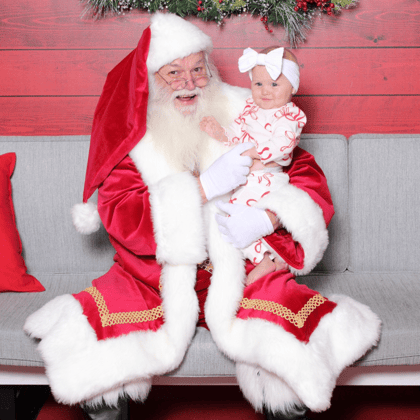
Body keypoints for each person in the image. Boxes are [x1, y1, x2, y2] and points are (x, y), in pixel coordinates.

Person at [24, 13, 381, 420]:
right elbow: (122, 213)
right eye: (173, 73)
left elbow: (305, 176)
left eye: (197, 69)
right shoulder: (135, 137)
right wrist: (203, 187)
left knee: (289, 364)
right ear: (150, 80)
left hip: (244, 271)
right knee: (102, 371)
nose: (190, 82)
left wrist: (270, 221)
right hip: (152, 277)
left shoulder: (249, 112)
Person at [200, 46, 306, 285]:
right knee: (231, 219)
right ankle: (260, 259)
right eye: (258, 84)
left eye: (274, 85)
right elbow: (237, 136)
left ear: (292, 88)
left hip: (268, 181)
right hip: (246, 182)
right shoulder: (250, 111)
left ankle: (269, 258)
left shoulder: (289, 115)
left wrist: (256, 151)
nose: (265, 91)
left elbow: (285, 143)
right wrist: (220, 133)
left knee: (248, 220)